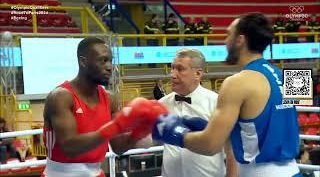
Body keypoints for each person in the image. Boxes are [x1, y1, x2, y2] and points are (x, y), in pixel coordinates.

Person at [153, 12, 301, 177]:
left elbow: (210, 145)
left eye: (228, 34)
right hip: (294, 170)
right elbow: (287, 123)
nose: (225, 41)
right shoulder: (293, 75)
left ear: (240, 40)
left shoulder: (236, 82)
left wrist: (176, 133)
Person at [42, 37, 167, 176]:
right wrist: (114, 127)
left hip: (96, 172)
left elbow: (118, 147)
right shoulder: (61, 97)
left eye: (110, 61)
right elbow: (69, 147)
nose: (109, 67)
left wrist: (137, 134)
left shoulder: (109, 98)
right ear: (83, 61)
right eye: (103, 60)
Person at [157, 48, 238, 177]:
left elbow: (232, 152)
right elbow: (148, 139)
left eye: (180, 69)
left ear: (198, 74)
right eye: (172, 68)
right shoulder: (161, 104)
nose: (172, 74)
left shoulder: (216, 103)